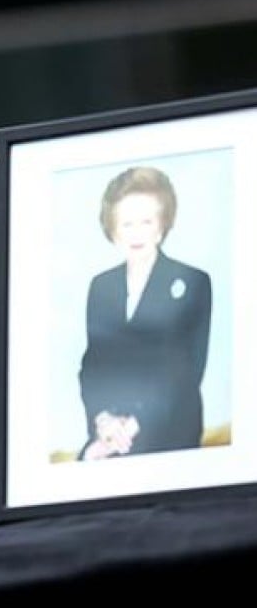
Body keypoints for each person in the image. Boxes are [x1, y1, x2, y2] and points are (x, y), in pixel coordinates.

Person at [78, 165, 212, 460]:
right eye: (127, 224)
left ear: (162, 224)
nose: (136, 233)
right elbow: (93, 366)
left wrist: (133, 427)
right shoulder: (101, 287)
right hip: (110, 430)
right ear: (112, 230)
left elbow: (187, 372)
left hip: (169, 429)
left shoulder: (193, 282)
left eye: (146, 222)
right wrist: (103, 421)